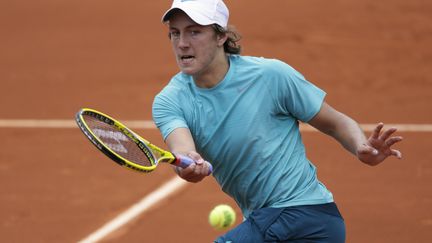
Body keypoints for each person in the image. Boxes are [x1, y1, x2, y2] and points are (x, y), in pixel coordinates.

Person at [152, 0, 403, 242]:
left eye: (194, 32)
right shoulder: (169, 101)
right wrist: (189, 165)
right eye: (175, 33)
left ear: (221, 37)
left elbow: (335, 122)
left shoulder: (271, 76)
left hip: (308, 215)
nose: (182, 43)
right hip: (268, 223)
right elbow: (183, 149)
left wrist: (361, 147)